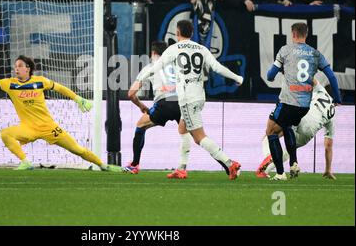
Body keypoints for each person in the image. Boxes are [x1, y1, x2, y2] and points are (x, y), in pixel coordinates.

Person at [0, 55, 121, 172]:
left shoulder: (40, 81)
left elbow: (60, 88)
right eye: (15, 66)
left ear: (28, 68)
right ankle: (26, 162)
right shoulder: (9, 84)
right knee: (6, 134)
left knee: (77, 150)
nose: (16, 68)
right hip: (29, 128)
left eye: (19, 66)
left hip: (48, 127)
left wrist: (77, 98)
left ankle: (104, 165)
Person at [136, 20, 243, 180]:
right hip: (199, 96)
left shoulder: (173, 49)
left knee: (199, 137)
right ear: (192, 33)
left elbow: (156, 67)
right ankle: (181, 168)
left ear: (177, 33)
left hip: (187, 98)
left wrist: (141, 78)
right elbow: (217, 67)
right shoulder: (201, 48)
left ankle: (229, 163)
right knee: (183, 129)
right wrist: (237, 77)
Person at [265, 23, 341, 180]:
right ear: (306, 35)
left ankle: (280, 173)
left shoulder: (285, 51)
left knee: (271, 131)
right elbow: (332, 77)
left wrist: (278, 72)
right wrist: (338, 99)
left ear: (293, 34)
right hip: (304, 106)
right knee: (287, 126)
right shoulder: (315, 54)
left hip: (287, 101)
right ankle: (293, 162)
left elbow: (270, 75)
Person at [124, 41, 193, 179]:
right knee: (198, 136)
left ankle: (135, 164)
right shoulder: (177, 66)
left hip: (164, 104)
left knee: (140, 126)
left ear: (153, 53)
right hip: (182, 103)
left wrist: (141, 106)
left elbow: (131, 93)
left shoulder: (150, 67)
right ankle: (226, 163)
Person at [257, 79, 337, 179]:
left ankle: (270, 157)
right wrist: (328, 169)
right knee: (289, 150)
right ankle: (268, 170)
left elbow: (312, 79)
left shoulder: (322, 91)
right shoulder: (333, 114)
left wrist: (297, 72)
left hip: (303, 117)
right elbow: (328, 145)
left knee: (270, 135)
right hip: (309, 132)